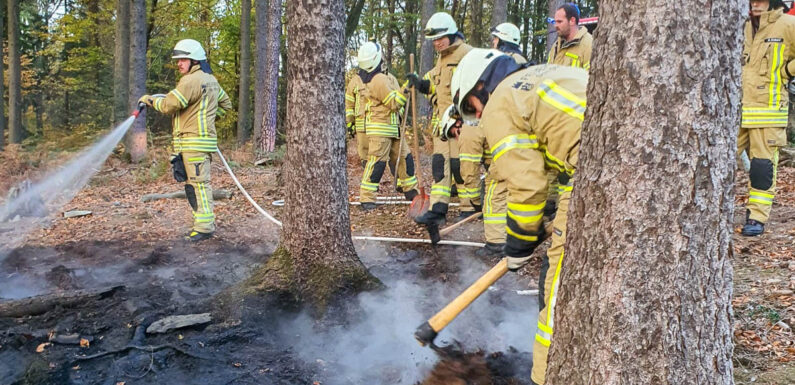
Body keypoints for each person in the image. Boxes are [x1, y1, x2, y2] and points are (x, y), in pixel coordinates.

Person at [450, 49, 587, 385]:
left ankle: (546, 378)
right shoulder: (542, 75)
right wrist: (549, 217)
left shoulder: (500, 103)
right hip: (591, 172)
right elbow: (552, 152)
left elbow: (527, 183)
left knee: (556, 293)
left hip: (594, 176)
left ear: (481, 87)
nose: (476, 117)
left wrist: (520, 240)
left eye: (471, 108)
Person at [139, 39, 232, 242]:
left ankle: (205, 227)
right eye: (178, 60)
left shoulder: (190, 81)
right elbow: (226, 104)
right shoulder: (211, 80)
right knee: (195, 185)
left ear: (195, 60)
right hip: (200, 144)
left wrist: (149, 99)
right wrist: (208, 117)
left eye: (183, 60)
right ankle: (201, 224)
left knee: (199, 186)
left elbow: (168, 106)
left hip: (193, 144)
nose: (179, 64)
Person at [451, 25, 528, 255]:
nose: (492, 42)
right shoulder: (518, 64)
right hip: (511, 136)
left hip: (509, 137)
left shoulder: (499, 67)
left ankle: (496, 242)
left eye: (495, 39)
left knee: (496, 182)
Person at [406, 12, 475, 227]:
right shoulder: (442, 58)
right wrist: (420, 85)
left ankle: (468, 208)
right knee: (439, 166)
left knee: (460, 167)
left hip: (461, 123)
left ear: (451, 33)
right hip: (442, 125)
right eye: (433, 40)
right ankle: (438, 208)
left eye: (440, 38)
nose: (436, 43)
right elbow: (437, 88)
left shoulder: (468, 55)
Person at [738, 0, 795, 236]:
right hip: (735, 109)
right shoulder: (737, 24)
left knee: (762, 167)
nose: (756, 5)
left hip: (768, 110)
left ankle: (757, 217)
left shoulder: (788, 24)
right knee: (713, 159)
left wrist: (786, 72)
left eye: (761, 0)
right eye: (752, 0)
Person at [355, 42, 418, 210]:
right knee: (377, 164)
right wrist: (407, 88)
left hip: (393, 129)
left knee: (405, 160)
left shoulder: (380, 78)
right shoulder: (379, 80)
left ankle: (410, 190)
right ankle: (367, 198)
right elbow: (395, 103)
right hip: (381, 131)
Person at [548, 2, 593, 69]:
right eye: (555, 22)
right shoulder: (556, 45)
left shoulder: (588, 44)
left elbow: (590, 76)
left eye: (559, 22)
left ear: (572, 20)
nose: (555, 25)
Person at [345, 66, 369, 168]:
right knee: (363, 148)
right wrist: (350, 122)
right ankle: (365, 165)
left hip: (377, 121)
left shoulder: (378, 78)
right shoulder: (355, 81)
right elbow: (349, 103)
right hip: (361, 121)